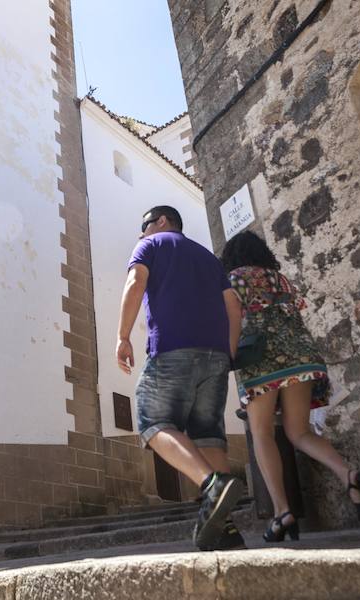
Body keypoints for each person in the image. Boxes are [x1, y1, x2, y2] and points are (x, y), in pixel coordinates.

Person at [221, 231, 360, 542]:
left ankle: (282, 512)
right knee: (300, 433)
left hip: (263, 361)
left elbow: (233, 319)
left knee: (262, 433)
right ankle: (348, 475)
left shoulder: (234, 279)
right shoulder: (281, 280)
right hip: (303, 358)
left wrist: (228, 356)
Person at [116, 205, 245, 551]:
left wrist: (123, 336)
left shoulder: (150, 244)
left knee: (153, 422)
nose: (141, 232)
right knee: (208, 435)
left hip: (173, 349)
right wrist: (228, 353)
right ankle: (226, 529)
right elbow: (234, 307)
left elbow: (135, 282)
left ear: (161, 221)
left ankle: (211, 484)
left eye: (144, 224)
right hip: (216, 357)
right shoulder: (208, 258)